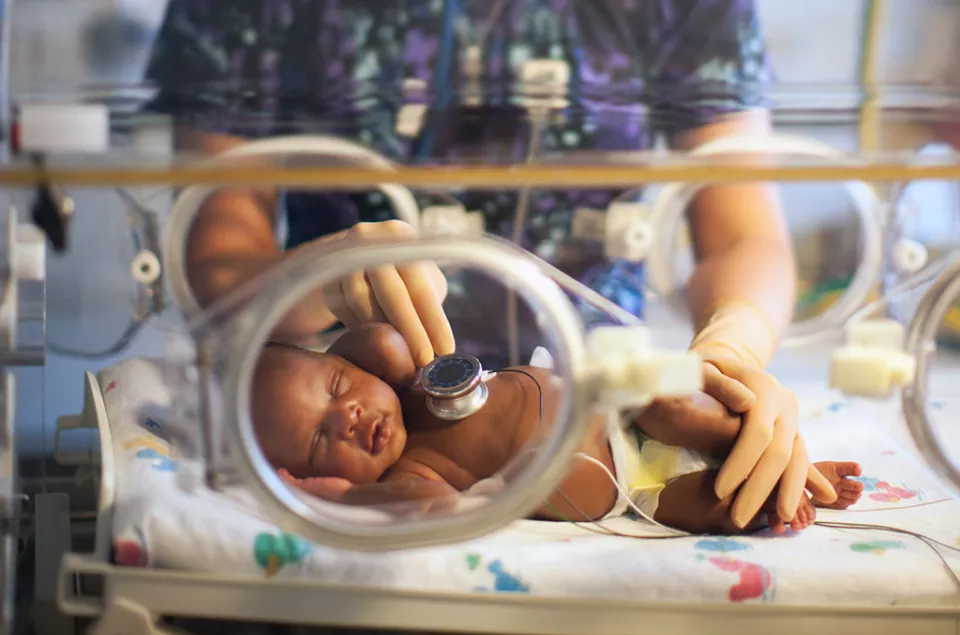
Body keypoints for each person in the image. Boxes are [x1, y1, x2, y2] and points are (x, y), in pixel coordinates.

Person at [144, 0, 834, 531]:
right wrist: (318, 278)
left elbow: (742, 232)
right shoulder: (373, 407)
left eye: (336, 397)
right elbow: (215, 252)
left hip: (601, 369)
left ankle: (781, 477)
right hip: (316, 353)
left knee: (698, 424)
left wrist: (733, 343)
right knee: (684, 497)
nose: (347, 413)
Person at [251, 323, 864, 533]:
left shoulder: (410, 383)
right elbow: (424, 509)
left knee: (677, 411)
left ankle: (797, 469)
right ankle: (778, 500)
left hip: (618, 408)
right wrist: (351, 496)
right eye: (319, 439)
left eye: (337, 388)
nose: (350, 417)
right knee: (705, 507)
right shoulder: (415, 473)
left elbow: (381, 339)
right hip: (627, 491)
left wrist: (353, 356)